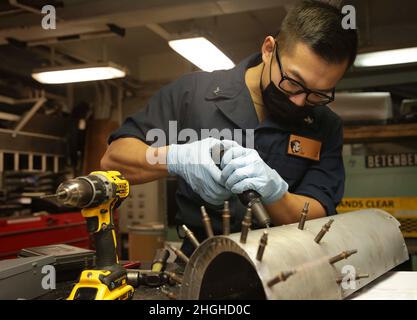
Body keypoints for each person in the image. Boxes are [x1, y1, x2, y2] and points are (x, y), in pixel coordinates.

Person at [102, 0, 358, 257]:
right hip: (199, 260)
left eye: (318, 94)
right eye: (293, 82)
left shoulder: (326, 125)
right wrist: (176, 158)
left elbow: (318, 211)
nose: (300, 101)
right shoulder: (192, 94)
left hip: (285, 263)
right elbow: (113, 161)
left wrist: (276, 194)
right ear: (269, 49)